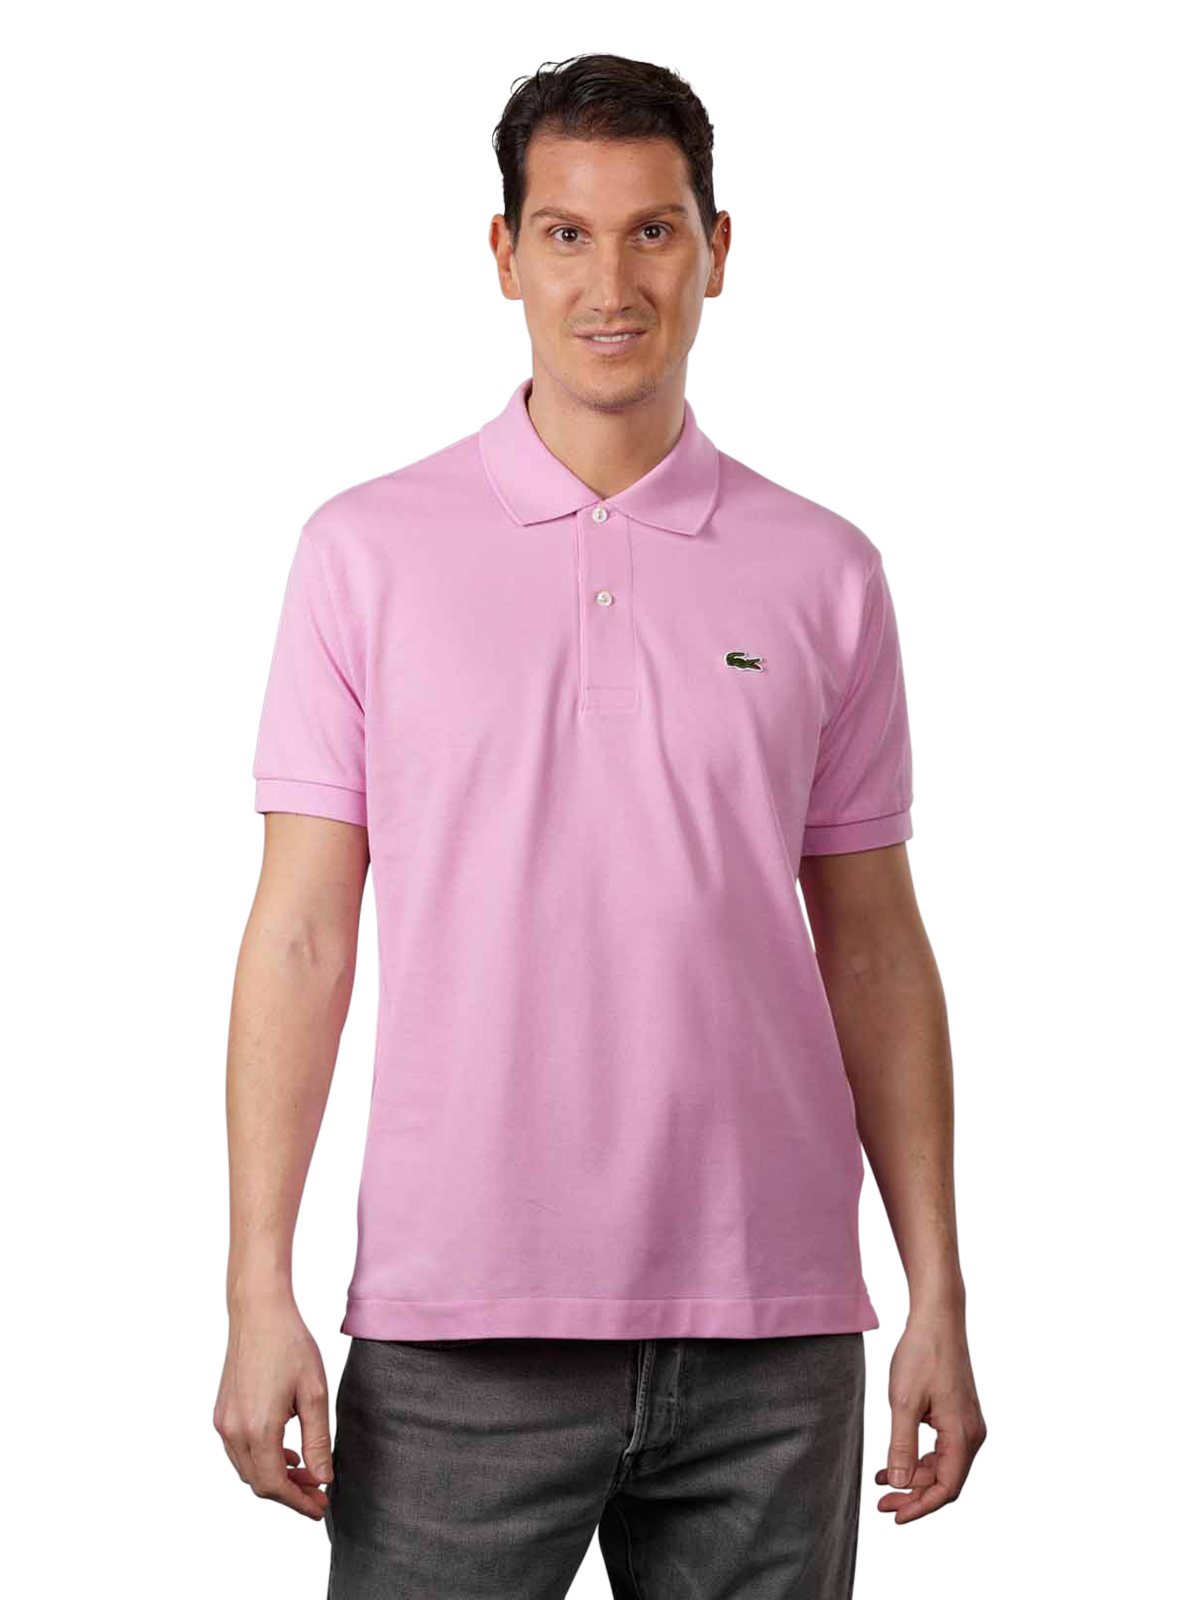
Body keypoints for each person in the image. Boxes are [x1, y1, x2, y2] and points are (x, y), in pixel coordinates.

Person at [215, 50, 985, 1599]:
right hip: (455, 1329)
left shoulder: (825, 573)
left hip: (772, 1333)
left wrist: (937, 1292)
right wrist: (253, 1286)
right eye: (566, 233)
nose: (610, 283)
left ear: (716, 250)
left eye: (653, 232)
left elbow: (873, 950)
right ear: (505, 252)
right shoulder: (366, 555)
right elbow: (300, 938)